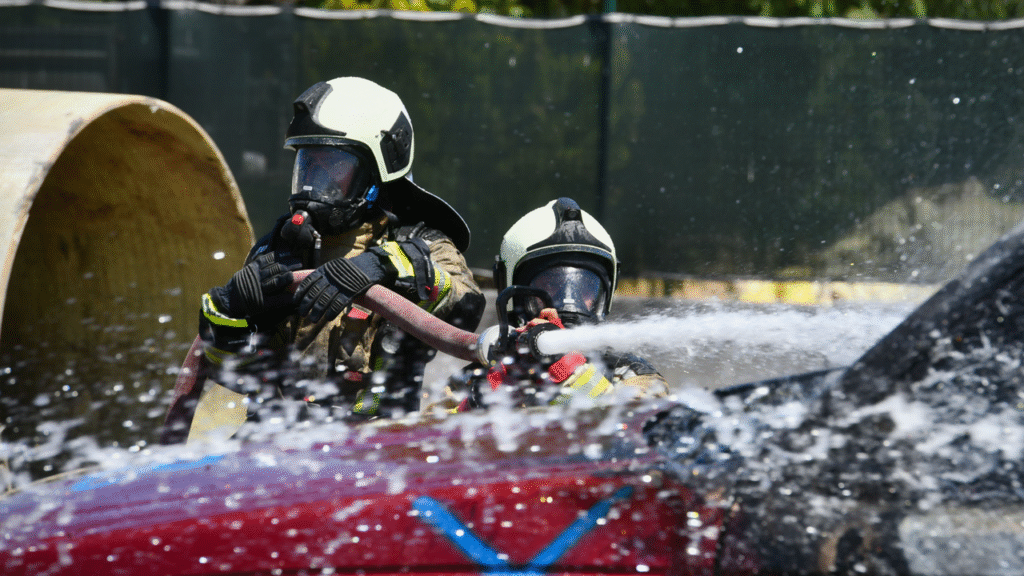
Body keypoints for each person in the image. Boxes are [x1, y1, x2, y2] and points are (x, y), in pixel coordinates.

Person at [186, 77, 484, 434]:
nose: (314, 185)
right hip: (274, 447)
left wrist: (386, 267)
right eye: (307, 167)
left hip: (378, 446)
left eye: (332, 169)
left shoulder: (420, 242)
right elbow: (231, 376)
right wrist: (229, 313)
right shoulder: (278, 250)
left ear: (377, 172)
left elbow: (464, 304)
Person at [443, 197, 669, 412]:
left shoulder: (630, 372)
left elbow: (637, 429)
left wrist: (578, 378)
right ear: (512, 290)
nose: (569, 301)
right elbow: (422, 436)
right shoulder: (474, 378)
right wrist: (477, 403)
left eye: (585, 288)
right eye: (550, 285)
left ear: (604, 295)